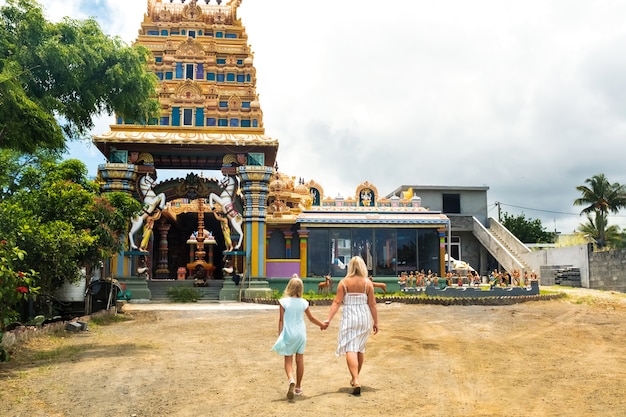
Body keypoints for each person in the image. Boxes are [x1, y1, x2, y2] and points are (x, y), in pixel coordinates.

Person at [324, 256, 379, 396]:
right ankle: (356, 378)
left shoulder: (343, 283)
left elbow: (336, 302)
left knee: (350, 347)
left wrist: (328, 319)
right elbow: (372, 304)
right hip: (364, 316)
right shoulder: (368, 283)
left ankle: (355, 379)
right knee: (359, 348)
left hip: (350, 316)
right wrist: (376, 322)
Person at [271, 275, 327, 399]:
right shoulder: (304, 302)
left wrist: (280, 334)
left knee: (288, 360)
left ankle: (291, 379)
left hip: (288, 333)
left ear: (289, 287)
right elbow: (311, 318)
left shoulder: (283, 302)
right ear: (301, 289)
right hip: (301, 334)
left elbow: (281, 320)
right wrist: (322, 324)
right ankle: (298, 387)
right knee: (300, 360)